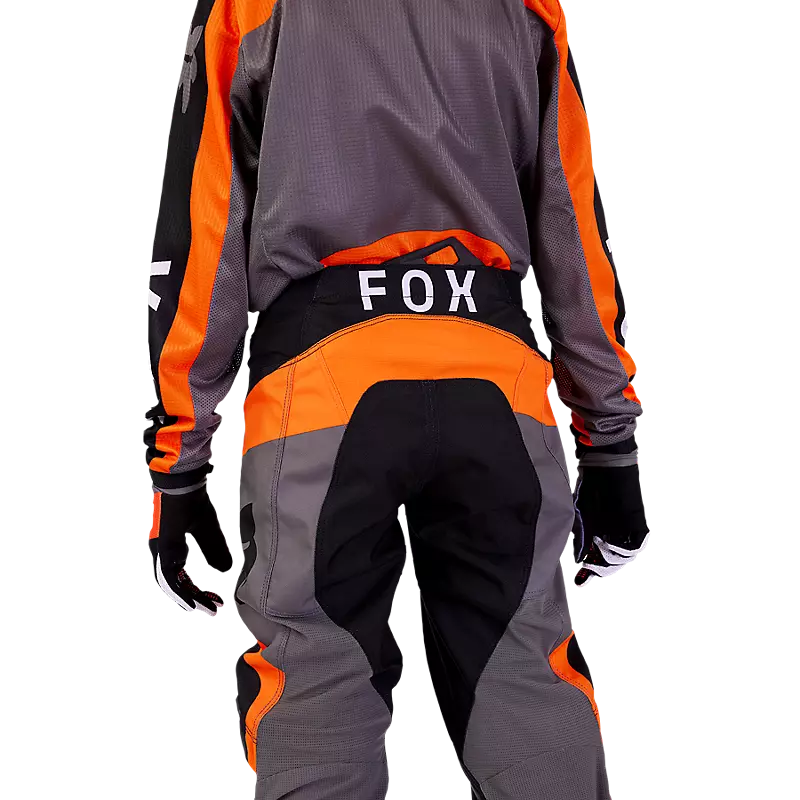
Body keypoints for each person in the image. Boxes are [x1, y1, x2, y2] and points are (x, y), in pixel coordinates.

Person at [144, 0, 650, 797]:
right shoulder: (529, 6)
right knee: (526, 683)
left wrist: (178, 461)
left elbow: (201, 229)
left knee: (314, 692)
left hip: (320, 386)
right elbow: (571, 218)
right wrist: (610, 443)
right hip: (493, 377)